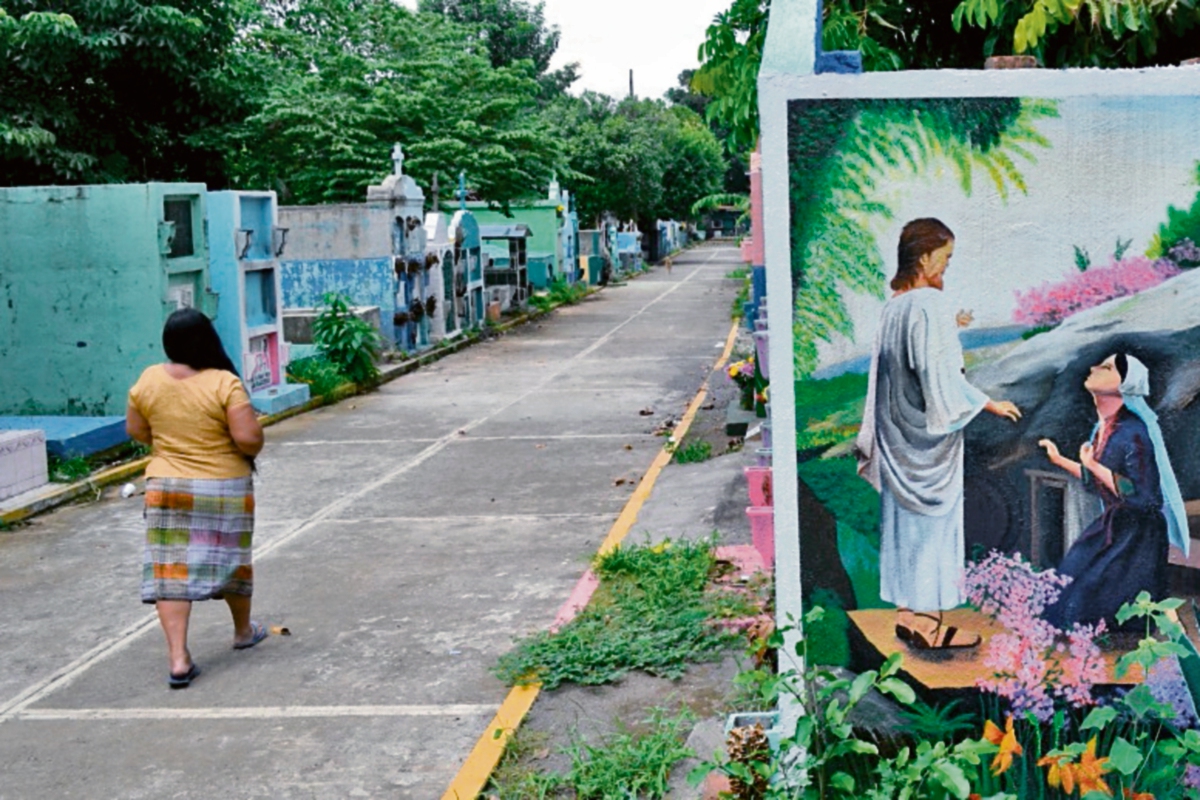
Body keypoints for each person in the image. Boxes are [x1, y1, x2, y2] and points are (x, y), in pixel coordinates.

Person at [856, 218, 1022, 650]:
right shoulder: (930, 304)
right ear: (925, 257)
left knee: (903, 529)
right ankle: (930, 627)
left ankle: (907, 618)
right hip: (927, 448)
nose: (946, 267)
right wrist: (988, 403)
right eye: (945, 258)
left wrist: (953, 326)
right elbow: (939, 375)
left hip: (898, 441)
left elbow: (898, 370)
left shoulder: (894, 307)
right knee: (933, 528)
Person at [126, 308, 268, 688]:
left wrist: (172, 443)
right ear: (208, 341)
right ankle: (243, 631)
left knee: (170, 572)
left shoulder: (148, 379)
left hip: (167, 486)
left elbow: (136, 429)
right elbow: (247, 439)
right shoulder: (224, 382)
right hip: (222, 486)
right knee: (231, 560)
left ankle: (178, 659)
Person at [1039, 353, 1189, 630]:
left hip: (1137, 537)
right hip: (1116, 525)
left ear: (1124, 385)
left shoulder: (1133, 432)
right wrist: (1060, 460)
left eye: (1106, 367)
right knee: (1063, 587)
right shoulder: (1104, 428)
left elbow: (1143, 495)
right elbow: (1098, 482)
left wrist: (1092, 464)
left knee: (1085, 604)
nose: (1094, 367)